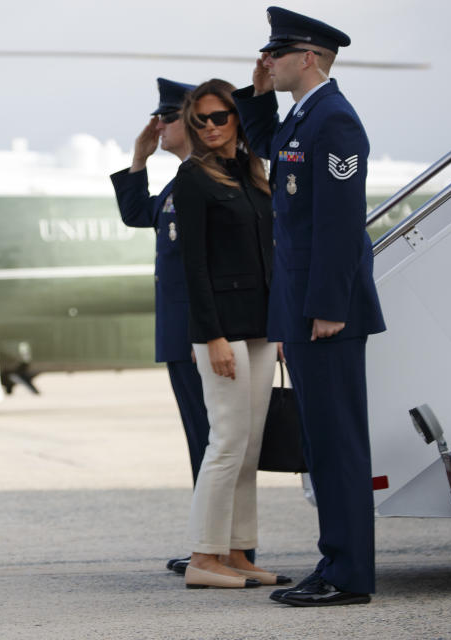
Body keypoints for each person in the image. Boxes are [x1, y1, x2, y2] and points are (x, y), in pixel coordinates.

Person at [232, 7, 385, 607]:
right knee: (320, 444)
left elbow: (341, 225)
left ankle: (347, 576)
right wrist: (255, 92)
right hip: (301, 307)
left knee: (338, 443)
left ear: (311, 57)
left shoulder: (336, 122)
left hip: (326, 311)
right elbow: (268, 144)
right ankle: (335, 563)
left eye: (278, 52)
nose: (268, 59)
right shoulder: (303, 117)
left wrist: (327, 306)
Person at [174, 79, 288, 589]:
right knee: (224, 442)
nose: (211, 127)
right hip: (220, 329)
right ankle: (203, 556)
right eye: (201, 120)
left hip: (262, 325)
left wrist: (280, 323)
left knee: (250, 443)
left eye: (220, 116)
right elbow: (193, 267)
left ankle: (238, 551)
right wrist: (212, 337)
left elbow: (272, 252)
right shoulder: (191, 178)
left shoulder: (249, 171)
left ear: (237, 117)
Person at [110, 78, 213, 575]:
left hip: (197, 337)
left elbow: (208, 267)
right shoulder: (180, 181)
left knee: (213, 444)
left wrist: (204, 333)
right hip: (181, 337)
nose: (158, 125)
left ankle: (219, 549)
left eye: (167, 118)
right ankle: (209, 545)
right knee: (201, 443)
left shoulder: (207, 179)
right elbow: (137, 214)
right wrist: (140, 158)